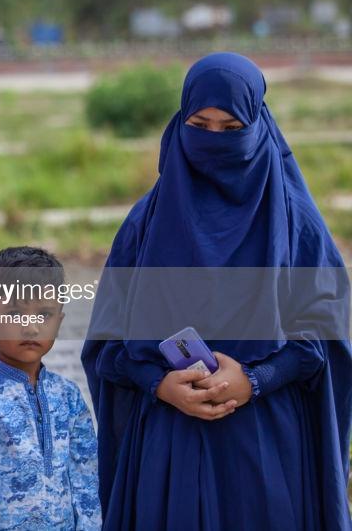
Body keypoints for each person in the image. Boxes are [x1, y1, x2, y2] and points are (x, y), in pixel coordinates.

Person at [81, 52, 352, 530]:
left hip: (266, 448)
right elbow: (108, 346)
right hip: (169, 449)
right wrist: (161, 384)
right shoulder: (146, 225)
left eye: (231, 128)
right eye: (200, 124)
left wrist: (255, 379)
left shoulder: (294, 224)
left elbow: (326, 338)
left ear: (259, 126)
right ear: (179, 123)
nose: (214, 141)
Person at [0, 246, 100, 530]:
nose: (30, 327)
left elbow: (86, 480)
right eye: (15, 313)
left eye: (43, 315)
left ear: (59, 321)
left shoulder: (68, 396)